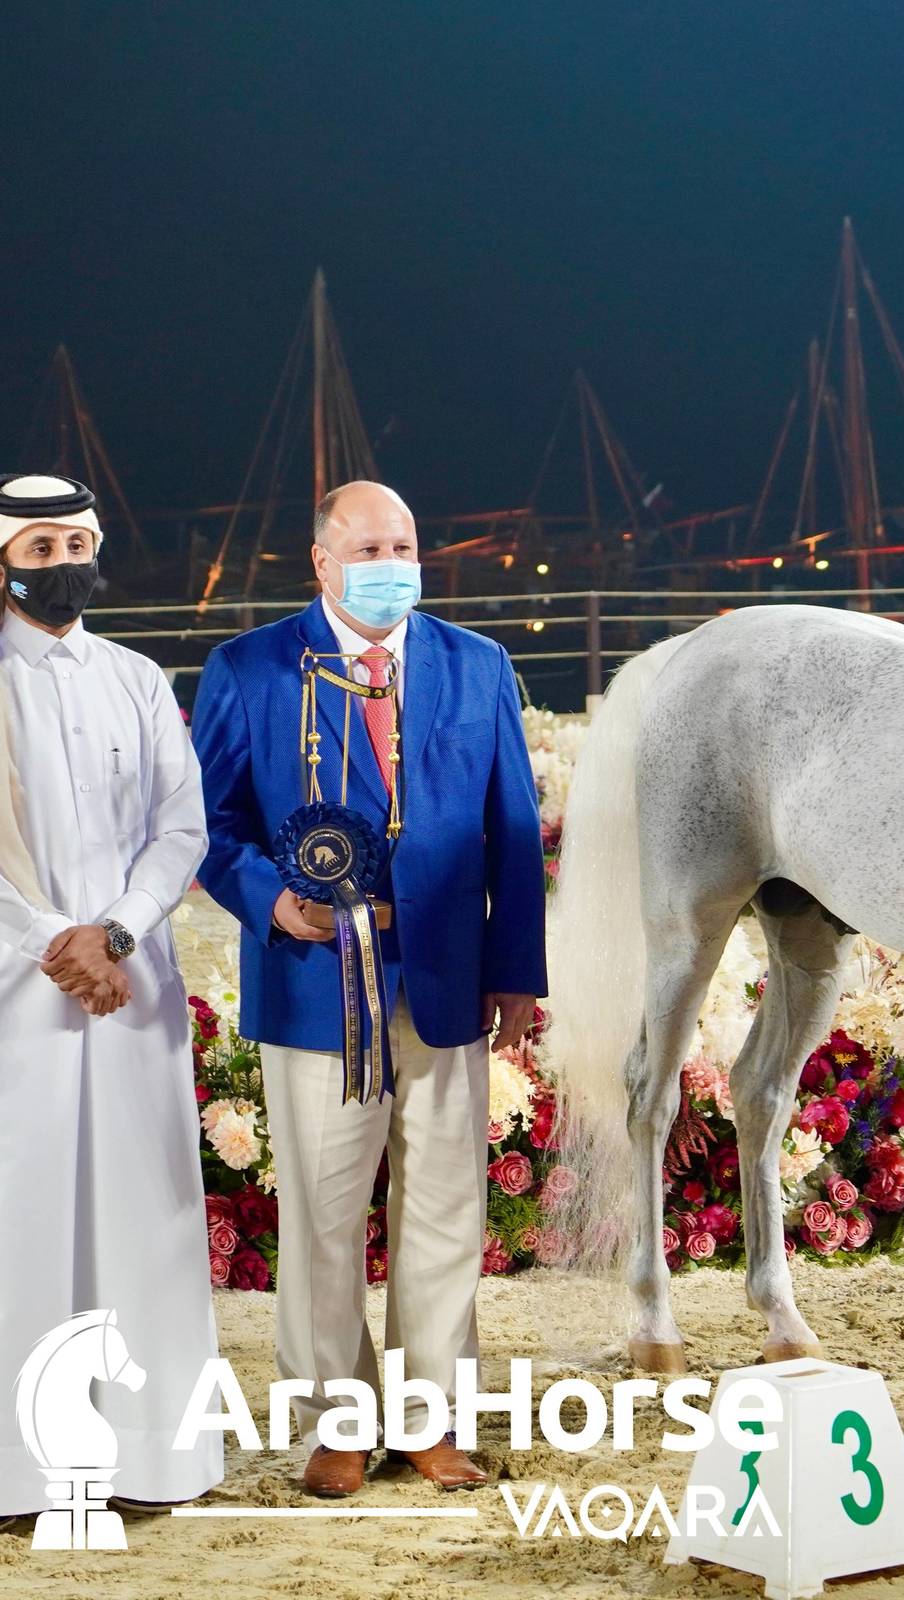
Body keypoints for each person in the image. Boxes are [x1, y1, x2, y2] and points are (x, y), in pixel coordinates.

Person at [191, 480, 546, 1498]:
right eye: (369, 544)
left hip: (446, 986)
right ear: (321, 560)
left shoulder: (478, 666)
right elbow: (208, 827)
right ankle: (338, 1422)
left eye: (405, 542)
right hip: (313, 985)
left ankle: (432, 1422)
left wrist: (517, 971)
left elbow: (513, 832)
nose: (392, 559)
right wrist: (271, 900)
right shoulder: (248, 669)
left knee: (443, 1206)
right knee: (321, 1211)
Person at [0, 473, 222, 1515]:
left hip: (129, 987)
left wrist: (119, 929)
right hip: (19, 995)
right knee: (18, 1220)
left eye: (78, 544)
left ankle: (148, 1460)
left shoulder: (134, 675)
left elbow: (183, 823)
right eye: (40, 548)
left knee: (146, 1219)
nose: (64, 566)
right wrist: (57, 942)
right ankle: (17, 1472)